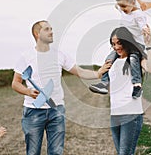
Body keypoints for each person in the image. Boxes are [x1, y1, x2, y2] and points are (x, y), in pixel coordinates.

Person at [11, 20, 110, 155]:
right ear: (37, 33)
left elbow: (79, 71)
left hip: (56, 110)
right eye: (47, 29)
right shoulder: (26, 56)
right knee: (33, 152)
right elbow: (15, 83)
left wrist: (98, 73)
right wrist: (28, 91)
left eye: (51, 29)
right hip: (33, 111)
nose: (51, 32)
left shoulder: (59, 54)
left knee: (56, 152)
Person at [89, 0, 150, 99]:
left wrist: (145, 29)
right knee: (109, 58)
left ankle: (137, 85)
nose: (122, 9)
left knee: (133, 59)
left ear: (132, 3)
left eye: (124, 6)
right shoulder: (124, 9)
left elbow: (143, 25)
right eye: (120, 6)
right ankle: (104, 84)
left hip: (136, 45)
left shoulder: (139, 15)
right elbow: (120, 4)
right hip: (124, 43)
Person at [108, 26, 151, 154]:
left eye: (119, 43)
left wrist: (149, 44)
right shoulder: (113, 62)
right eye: (113, 44)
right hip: (115, 114)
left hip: (131, 113)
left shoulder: (135, 58)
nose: (116, 47)